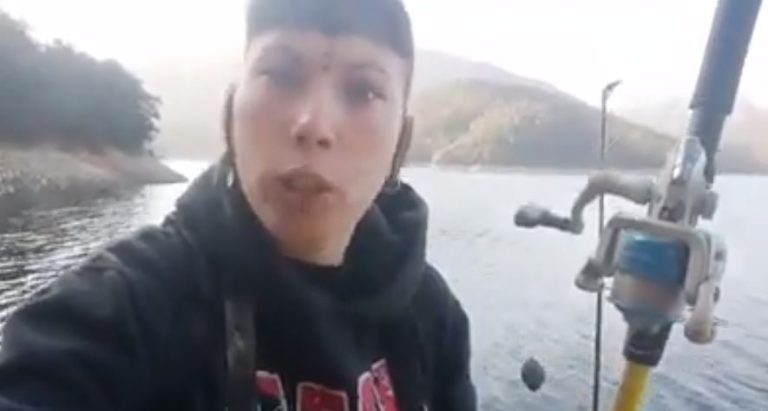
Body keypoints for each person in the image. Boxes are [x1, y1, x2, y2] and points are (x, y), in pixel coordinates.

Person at [0, 0, 477, 409]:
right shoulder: (129, 306)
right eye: (282, 75)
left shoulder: (432, 314)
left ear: (401, 142)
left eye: (363, 91)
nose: (314, 125)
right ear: (230, 114)